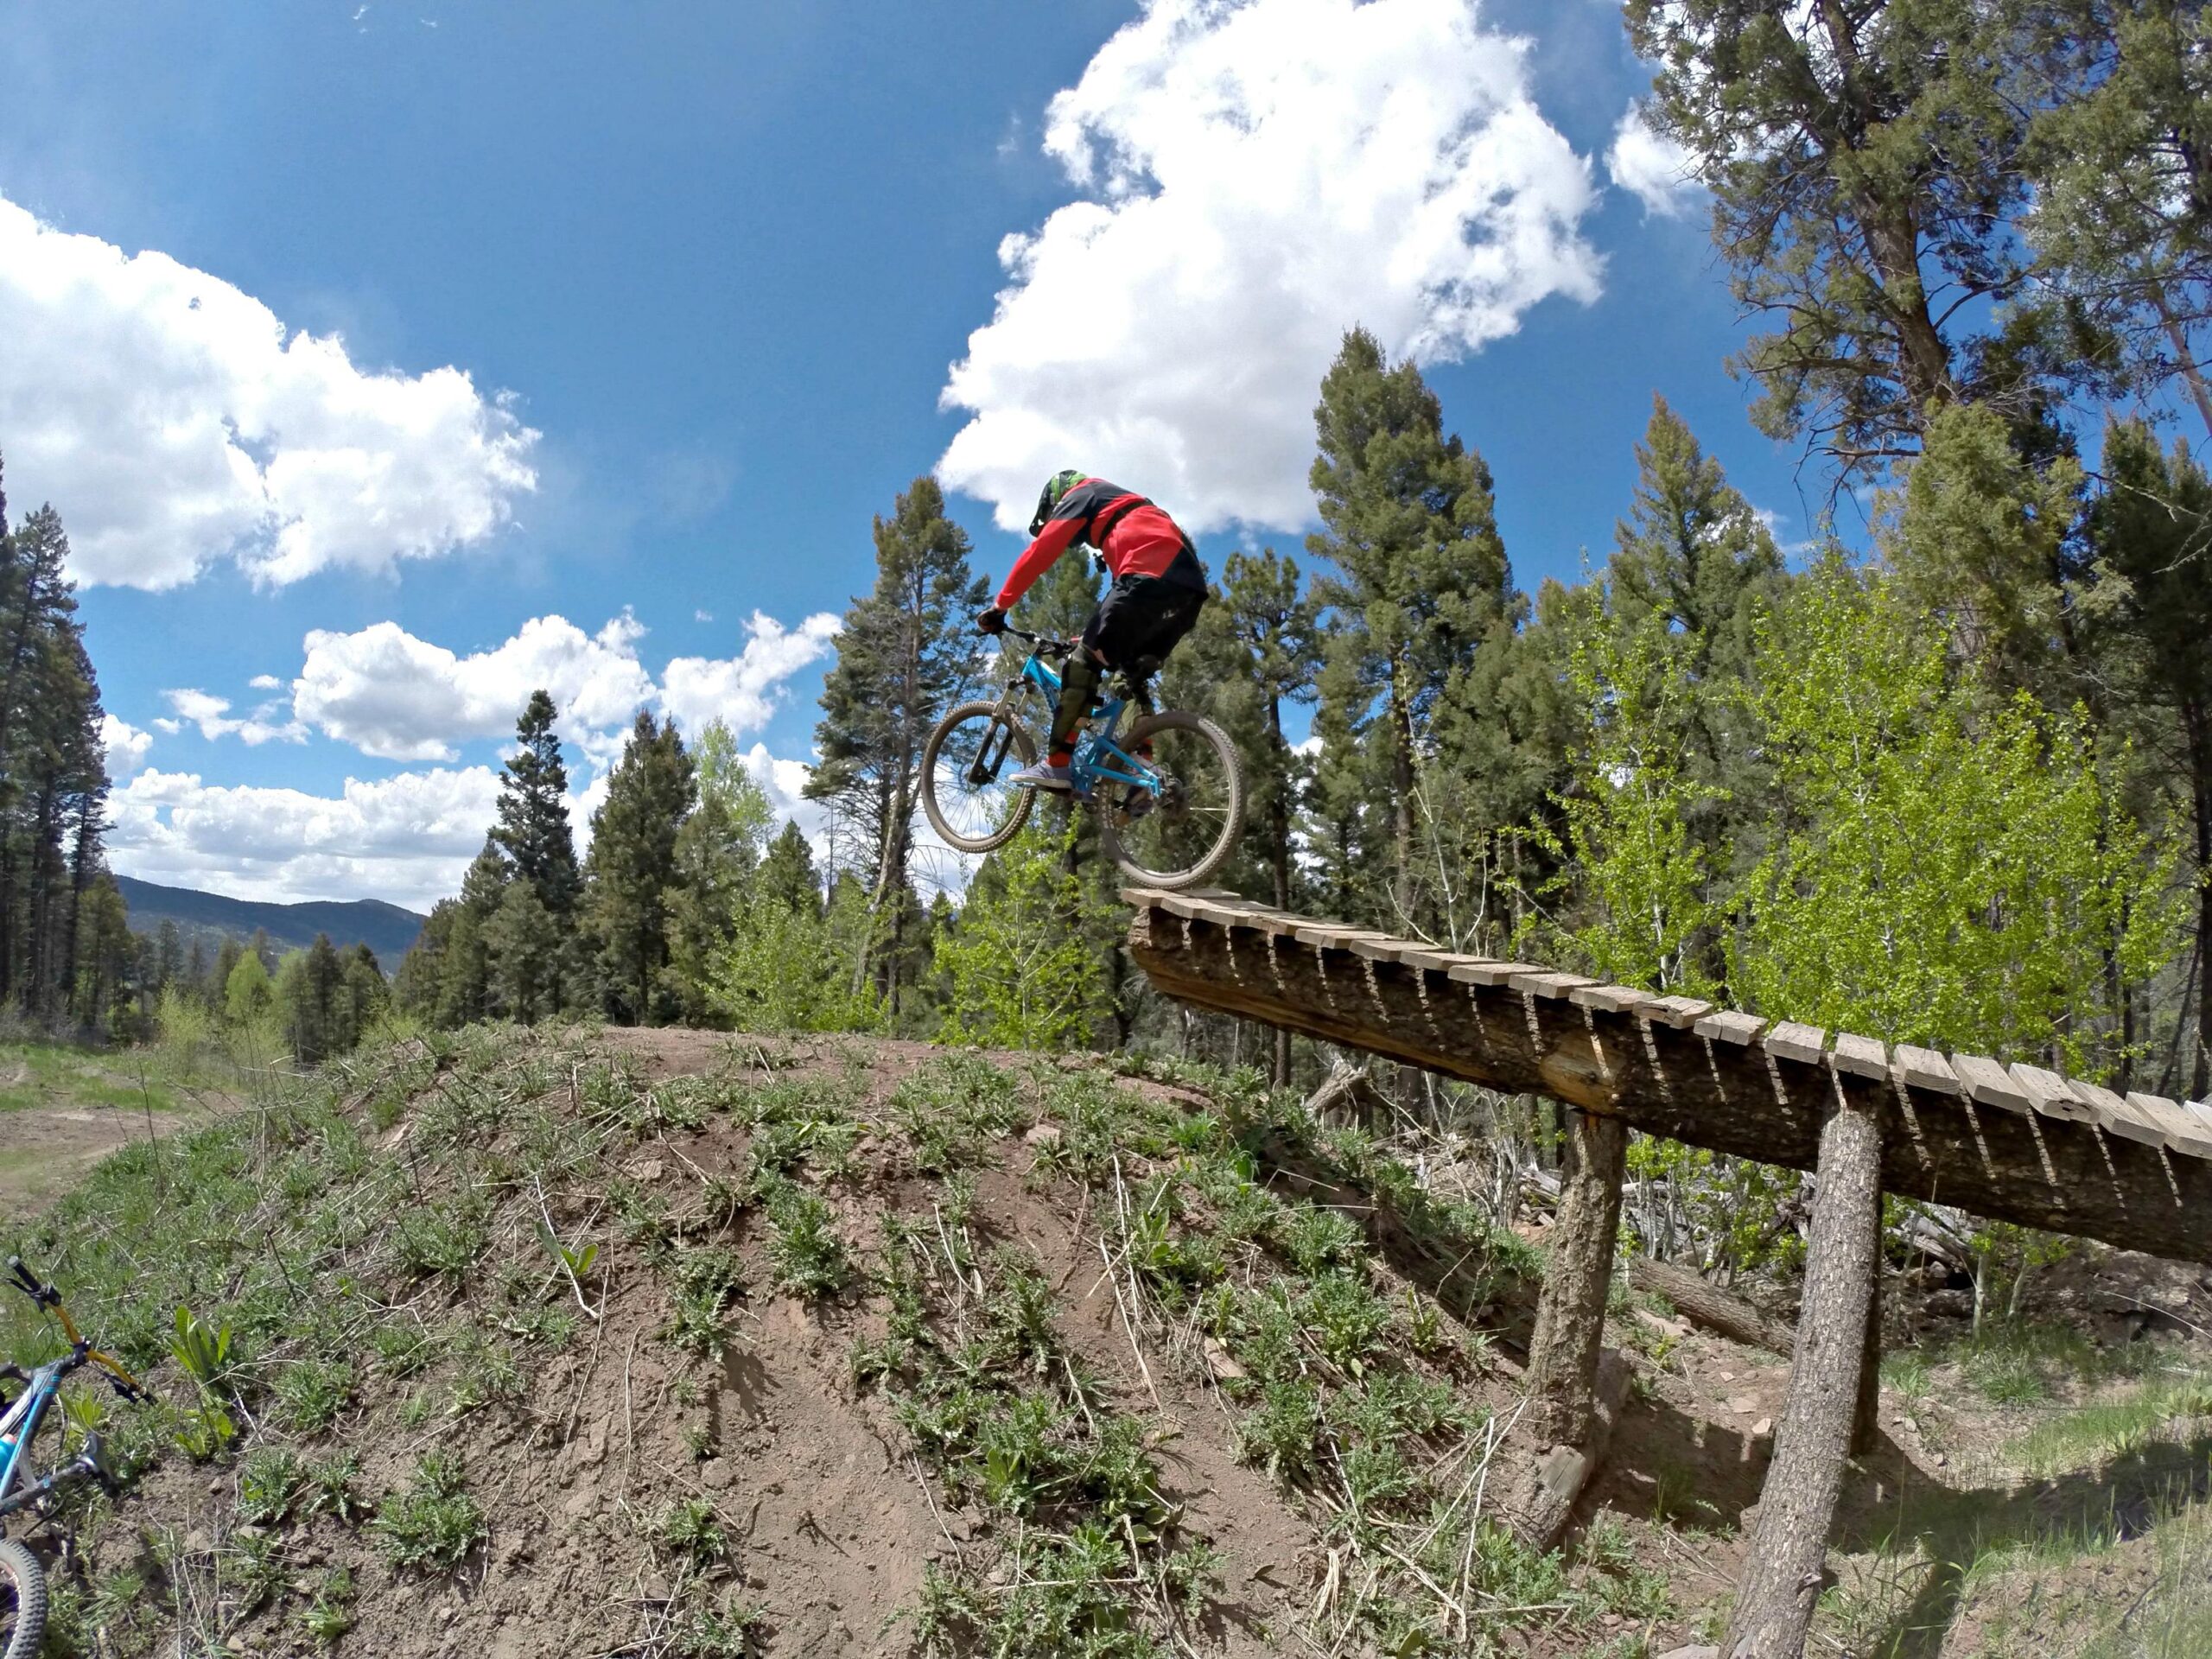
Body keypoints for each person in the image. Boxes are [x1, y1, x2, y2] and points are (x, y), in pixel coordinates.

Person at [976, 470, 1208, 792]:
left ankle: (1057, 766)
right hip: (1189, 594)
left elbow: (1039, 554)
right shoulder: (1133, 510)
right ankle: (1144, 767)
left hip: (1146, 579)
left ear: (1057, 498)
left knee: (1082, 664)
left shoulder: (1082, 495)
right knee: (1128, 675)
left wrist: (999, 607)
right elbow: (1126, 613)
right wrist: (1089, 639)